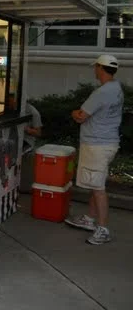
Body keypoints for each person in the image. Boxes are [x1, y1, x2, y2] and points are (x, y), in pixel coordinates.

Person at [65, 54, 123, 245]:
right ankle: (89, 219)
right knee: (95, 183)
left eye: (95, 67)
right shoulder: (116, 88)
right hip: (107, 143)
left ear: (100, 68)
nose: (94, 70)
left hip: (97, 145)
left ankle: (103, 229)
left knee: (98, 188)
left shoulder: (102, 92)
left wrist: (74, 112)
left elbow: (81, 116)